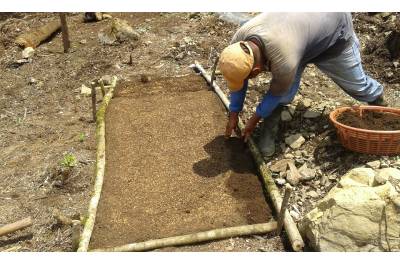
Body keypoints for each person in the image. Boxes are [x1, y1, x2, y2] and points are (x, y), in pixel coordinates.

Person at [219, 12, 387, 157]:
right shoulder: (238, 44)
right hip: (297, 36)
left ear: (256, 71)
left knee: (358, 86)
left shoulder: (285, 61)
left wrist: (253, 121)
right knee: (284, 91)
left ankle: (379, 103)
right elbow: (239, 82)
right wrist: (234, 114)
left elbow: (274, 93)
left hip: (332, 34)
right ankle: (269, 130)